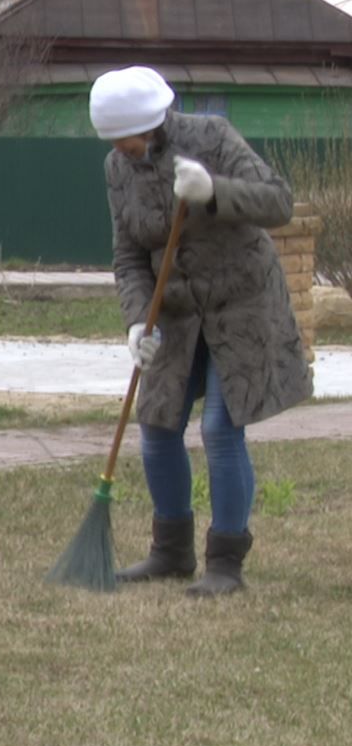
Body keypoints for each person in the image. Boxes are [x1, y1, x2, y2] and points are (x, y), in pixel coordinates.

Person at [89, 65, 311, 597]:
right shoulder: (117, 170)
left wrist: (214, 190)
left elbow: (277, 201)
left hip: (242, 306)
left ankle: (226, 562)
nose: (123, 150)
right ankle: (171, 552)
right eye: (114, 143)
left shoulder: (211, 137)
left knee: (219, 427)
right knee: (158, 426)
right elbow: (128, 256)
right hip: (176, 315)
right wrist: (137, 318)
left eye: (130, 140)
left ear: (155, 123)